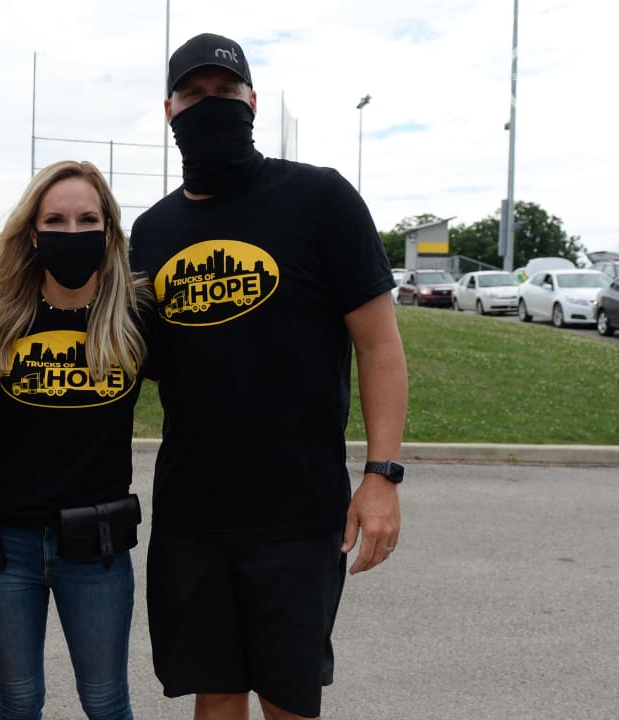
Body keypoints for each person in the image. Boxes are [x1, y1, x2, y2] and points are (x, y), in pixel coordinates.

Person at [129, 33, 408, 720]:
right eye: (195, 94)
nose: (211, 104)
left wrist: (383, 474)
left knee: (288, 697)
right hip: (193, 511)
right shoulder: (153, 232)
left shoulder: (319, 198)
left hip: (297, 510)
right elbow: (142, 362)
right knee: (216, 693)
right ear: (170, 110)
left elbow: (379, 344)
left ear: (251, 101)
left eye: (225, 93)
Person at [0, 160, 152, 720]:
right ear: (32, 231)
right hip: (5, 544)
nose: (72, 233)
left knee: (105, 701)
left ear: (109, 230)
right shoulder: (0, 310)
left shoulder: (137, 314)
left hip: (95, 545)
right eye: (56, 220)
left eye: (87, 219)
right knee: (19, 701)